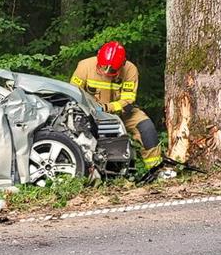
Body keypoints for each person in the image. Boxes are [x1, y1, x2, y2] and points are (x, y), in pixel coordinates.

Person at [70, 41, 163, 170]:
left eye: (112, 69)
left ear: (122, 64)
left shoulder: (130, 70)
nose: (105, 72)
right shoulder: (84, 66)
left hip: (121, 111)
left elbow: (128, 101)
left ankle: (155, 168)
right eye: (103, 67)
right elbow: (73, 93)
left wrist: (108, 108)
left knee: (146, 127)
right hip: (91, 112)